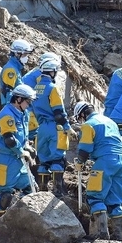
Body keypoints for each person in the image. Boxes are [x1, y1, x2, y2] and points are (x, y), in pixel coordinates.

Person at [73, 101, 122, 241]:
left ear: (83, 114)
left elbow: (85, 148)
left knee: (94, 197)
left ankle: (101, 235)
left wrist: (79, 163)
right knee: (115, 201)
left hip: (104, 162)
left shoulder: (88, 125)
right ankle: (118, 237)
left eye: (80, 118)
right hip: (121, 162)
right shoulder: (110, 122)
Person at [0, 84, 37, 216]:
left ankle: (25, 219)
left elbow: (23, 135)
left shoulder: (23, 113)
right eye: (28, 101)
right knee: (5, 197)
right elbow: (9, 139)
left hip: (18, 161)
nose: (29, 104)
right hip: (5, 160)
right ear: (18, 99)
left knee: (31, 188)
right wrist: (21, 151)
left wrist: (27, 146)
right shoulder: (7, 114)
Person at [32, 59, 77, 195]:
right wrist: (67, 127)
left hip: (41, 128)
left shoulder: (36, 88)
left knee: (44, 160)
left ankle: (42, 190)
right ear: (53, 71)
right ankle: (58, 190)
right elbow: (58, 112)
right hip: (54, 128)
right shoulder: (53, 88)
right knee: (57, 159)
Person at [22, 52, 61, 141]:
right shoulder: (41, 75)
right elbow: (43, 95)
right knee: (35, 137)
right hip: (29, 109)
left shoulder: (35, 72)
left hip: (24, 105)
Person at [0, 39, 35, 105]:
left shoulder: (15, 68)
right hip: (12, 108)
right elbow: (8, 93)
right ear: (17, 54)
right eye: (25, 55)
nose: (27, 58)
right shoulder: (10, 70)